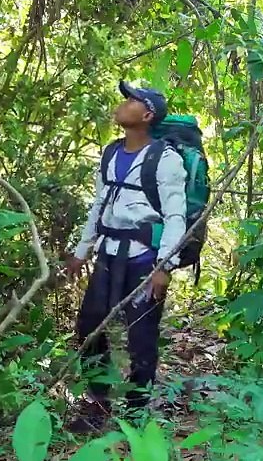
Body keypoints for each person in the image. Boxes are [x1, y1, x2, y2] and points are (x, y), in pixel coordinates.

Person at [65, 82, 187, 433]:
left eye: (133, 101)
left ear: (147, 115)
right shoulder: (111, 153)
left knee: (141, 339)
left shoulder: (166, 160)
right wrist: (80, 251)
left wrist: (164, 267)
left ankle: (135, 414)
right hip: (108, 255)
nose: (123, 104)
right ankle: (97, 402)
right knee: (88, 328)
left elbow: (176, 217)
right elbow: (100, 205)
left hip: (143, 260)